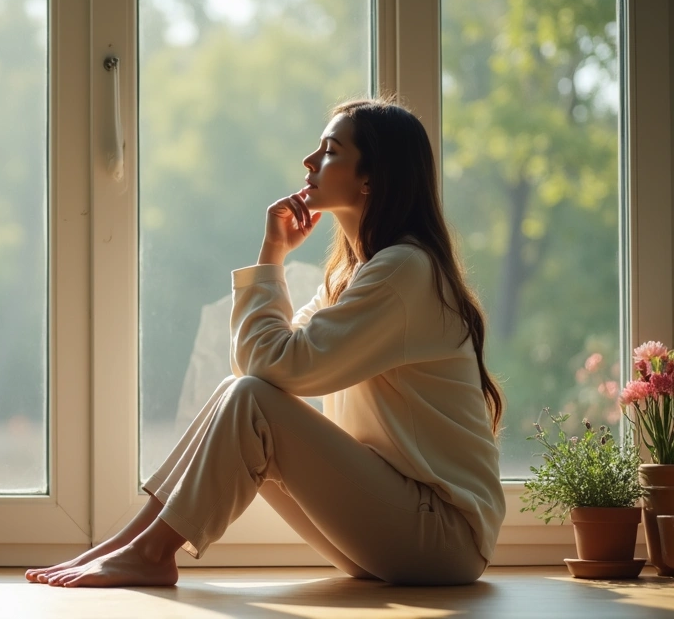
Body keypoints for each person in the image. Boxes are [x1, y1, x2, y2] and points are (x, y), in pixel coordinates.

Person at [25, 97, 506, 588]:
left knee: (249, 398)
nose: (309, 161)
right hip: (398, 529)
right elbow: (260, 365)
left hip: (444, 535)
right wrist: (273, 250)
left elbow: (269, 367)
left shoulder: (405, 270)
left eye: (330, 151)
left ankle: (149, 553)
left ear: (371, 178)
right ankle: (128, 546)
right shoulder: (358, 274)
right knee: (236, 393)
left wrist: (271, 255)